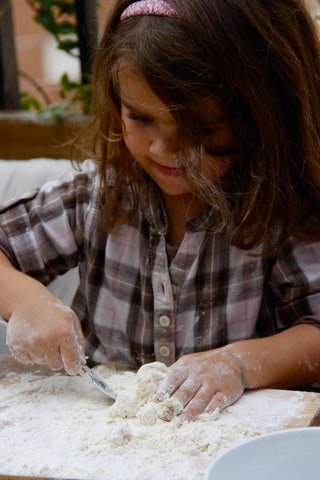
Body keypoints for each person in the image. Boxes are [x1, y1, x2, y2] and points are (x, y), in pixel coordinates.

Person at [1, 0, 320, 423]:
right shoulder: (98, 196)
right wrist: (26, 300)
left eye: (202, 129)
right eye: (142, 117)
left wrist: (240, 364)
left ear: (263, 114)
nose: (164, 149)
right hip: (102, 433)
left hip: (230, 442)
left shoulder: (278, 212)